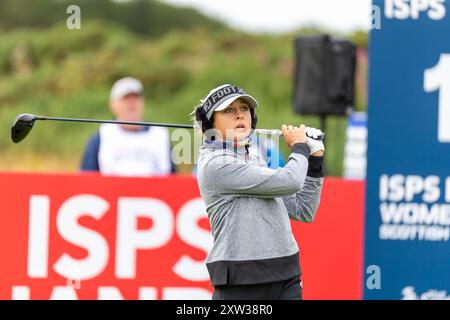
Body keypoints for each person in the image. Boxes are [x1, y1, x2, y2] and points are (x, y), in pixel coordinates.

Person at [194, 84, 325, 300]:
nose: (239, 115)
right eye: (229, 110)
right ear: (211, 124)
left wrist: (316, 160)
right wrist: (300, 147)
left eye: (244, 109)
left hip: (286, 274)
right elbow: (291, 180)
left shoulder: (256, 160)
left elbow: (304, 209)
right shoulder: (215, 164)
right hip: (241, 280)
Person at [80, 77, 176, 176]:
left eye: (136, 97)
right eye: (125, 98)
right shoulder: (101, 136)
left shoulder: (160, 135)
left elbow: (174, 180)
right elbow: (87, 180)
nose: (132, 102)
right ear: (112, 105)